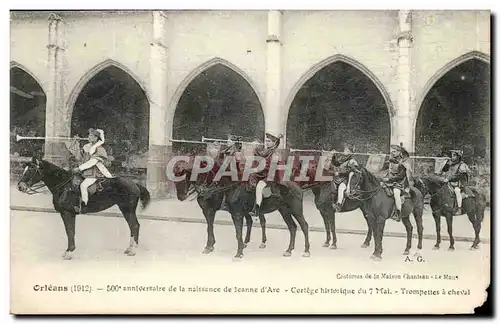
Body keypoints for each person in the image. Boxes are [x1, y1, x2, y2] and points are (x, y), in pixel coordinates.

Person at [70, 128, 113, 213]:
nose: (89, 137)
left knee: (83, 185)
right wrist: (76, 143)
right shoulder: (86, 146)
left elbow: (93, 162)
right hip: (85, 171)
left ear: (96, 138)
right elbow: (79, 157)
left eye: (91, 135)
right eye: (88, 135)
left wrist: (79, 168)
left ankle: (85, 206)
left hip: (95, 172)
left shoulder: (100, 149)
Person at [249, 132, 283, 218]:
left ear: (273, 142)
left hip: (270, 176)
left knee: (259, 186)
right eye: (266, 140)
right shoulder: (268, 151)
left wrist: (256, 169)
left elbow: (268, 167)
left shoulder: (275, 153)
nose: (266, 142)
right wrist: (255, 149)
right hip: (263, 174)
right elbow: (262, 155)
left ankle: (257, 209)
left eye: (269, 141)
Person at [381, 144, 413, 222]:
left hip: (400, 182)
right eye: (392, 152)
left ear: (399, 152)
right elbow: (384, 170)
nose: (393, 153)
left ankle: (398, 213)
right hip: (389, 180)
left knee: (396, 192)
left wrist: (389, 179)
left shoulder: (404, 162)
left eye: (394, 151)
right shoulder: (390, 160)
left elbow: (401, 176)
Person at [440, 149, 471, 215]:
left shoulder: (462, 165)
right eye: (452, 155)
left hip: (459, 183)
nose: (452, 157)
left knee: (457, 191)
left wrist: (449, 179)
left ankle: (459, 208)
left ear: (458, 157)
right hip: (449, 182)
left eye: (454, 156)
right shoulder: (450, 163)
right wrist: (446, 164)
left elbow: (460, 176)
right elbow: (444, 170)